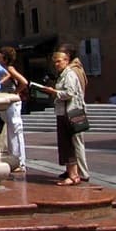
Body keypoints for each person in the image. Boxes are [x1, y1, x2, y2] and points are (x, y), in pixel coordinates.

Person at [35, 50, 86, 186]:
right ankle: (71, 173)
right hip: (63, 113)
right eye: (55, 62)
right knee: (65, 144)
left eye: (59, 61)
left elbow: (69, 93)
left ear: (66, 60)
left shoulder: (69, 74)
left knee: (70, 144)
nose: (57, 64)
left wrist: (54, 92)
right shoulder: (62, 75)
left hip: (70, 113)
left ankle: (74, 175)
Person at [0, 46, 28, 173]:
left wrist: (15, 93)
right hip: (6, 102)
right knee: (10, 132)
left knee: (15, 131)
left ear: (5, 58)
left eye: (0, 56)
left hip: (13, 103)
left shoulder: (9, 69)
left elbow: (24, 82)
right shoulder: (2, 69)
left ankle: (20, 162)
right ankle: (14, 159)